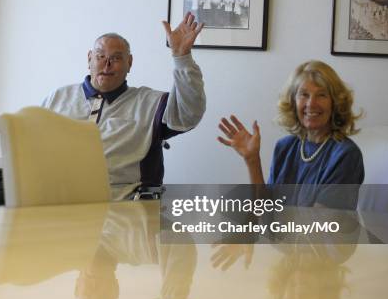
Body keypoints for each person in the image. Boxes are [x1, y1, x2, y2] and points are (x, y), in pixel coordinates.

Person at [43, 13, 206, 200]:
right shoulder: (58, 98)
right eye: (100, 56)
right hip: (59, 205)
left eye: (116, 58)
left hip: (123, 212)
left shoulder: (150, 104)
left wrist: (182, 58)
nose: (107, 64)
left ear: (129, 63)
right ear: (89, 59)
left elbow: (189, 113)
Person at [217, 60, 364, 189]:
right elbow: (264, 210)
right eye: (304, 95)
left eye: (322, 95)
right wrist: (252, 159)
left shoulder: (346, 155)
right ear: (293, 102)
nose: (311, 104)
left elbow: (320, 220)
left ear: (335, 103)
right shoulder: (285, 146)